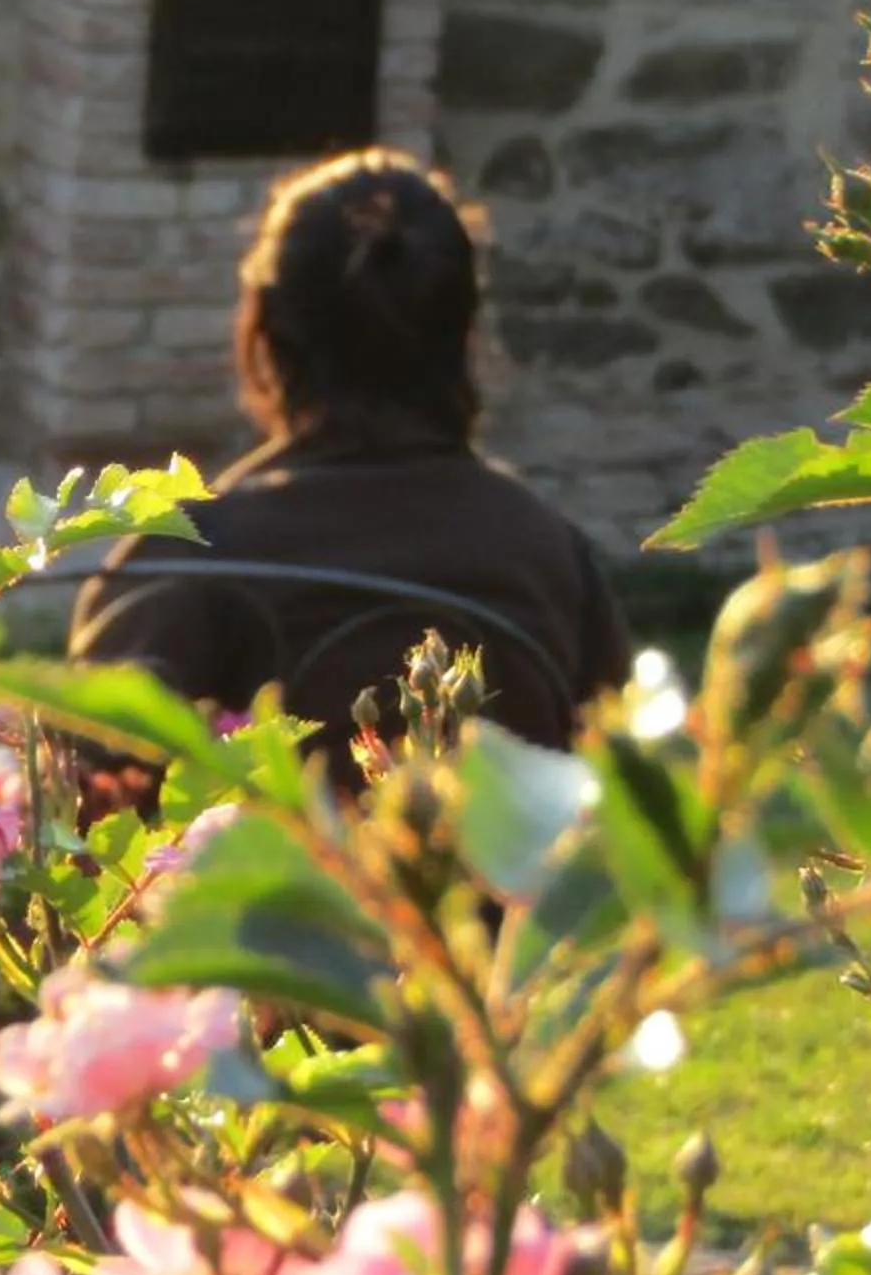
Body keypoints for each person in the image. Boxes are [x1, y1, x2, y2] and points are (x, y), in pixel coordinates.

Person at [69, 149, 630, 803]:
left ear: (265, 332)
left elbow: (81, 817)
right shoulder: (549, 553)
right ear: (465, 332)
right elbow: (619, 802)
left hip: (253, 901)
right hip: (505, 902)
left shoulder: (180, 561)